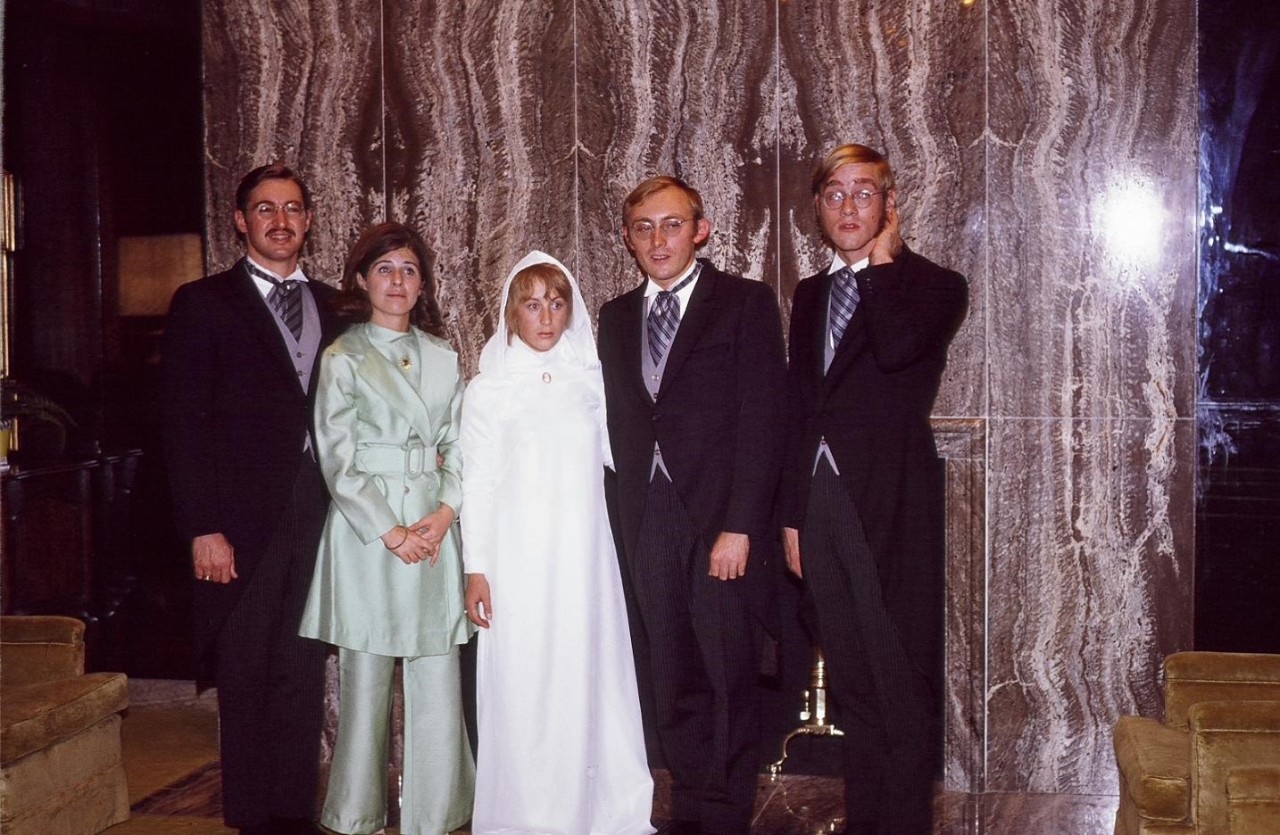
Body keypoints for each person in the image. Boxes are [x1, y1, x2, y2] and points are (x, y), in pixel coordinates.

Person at [778, 143, 968, 835]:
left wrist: (881, 264)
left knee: (899, 681)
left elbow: (893, 349)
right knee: (855, 686)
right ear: (819, 208)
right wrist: (791, 516)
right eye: (835, 193)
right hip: (820, 507)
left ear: (891, 203)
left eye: (865, 192)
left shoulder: (935, 285)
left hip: (892, 503)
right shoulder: (810, 294)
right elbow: (802, 407)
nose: (849, 206)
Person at [597, 176, 787, 835]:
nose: (658, 238)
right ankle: (694, 806)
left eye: (672, 224)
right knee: (670, 669)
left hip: (717, 522)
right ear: (627, 238)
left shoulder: (744, 302)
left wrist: (740, 526)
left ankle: (727, 816)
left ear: (701, 229)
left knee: (728, 671)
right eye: (644, 227)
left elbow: (764, 420)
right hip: (645, 518)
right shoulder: (614, 317)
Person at [161, 163, 340, 834]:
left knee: (301, 667)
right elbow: (183, 425)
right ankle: (251, 817)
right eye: (265, 209)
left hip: (320, 514)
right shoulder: (203, 301)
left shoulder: (335, 304)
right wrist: (202, 527)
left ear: (309, 220)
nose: (280, 220)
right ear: (241, 221)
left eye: (292, 208)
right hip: (236, 521)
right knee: (245, 670)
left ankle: (293, 813)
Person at [460, 251, 654, 835]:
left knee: (587, 672)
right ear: (511, 313)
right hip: (517, 562)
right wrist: (477, 569)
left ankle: (595, 810)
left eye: (556, 302)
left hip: (583, 559)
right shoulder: (488, 389)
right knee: (524, 681)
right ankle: (527, 813)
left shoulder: (592, 383)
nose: (545, 317)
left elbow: (624, 455)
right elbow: (478, 483)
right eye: (532, 304)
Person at [298, 222, 474, 835]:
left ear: (423, 284)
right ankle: (354, 814)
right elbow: (336, 459)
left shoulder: (445, 357)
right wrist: (392, 532)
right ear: (361, 280)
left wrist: (444, 514)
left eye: (408, 270)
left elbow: (460, 447)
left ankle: (439, 814)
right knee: (365, 681)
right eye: (385, 269)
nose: (397, 281)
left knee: (436, 677)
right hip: (368, 536)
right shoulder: (342, 357)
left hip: (432, 528)